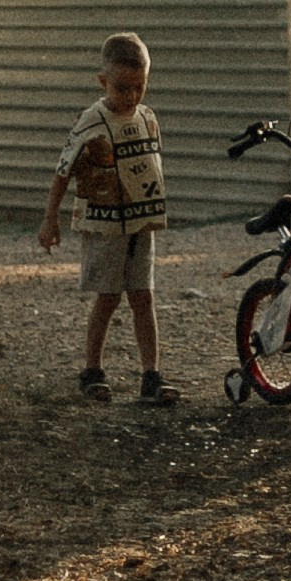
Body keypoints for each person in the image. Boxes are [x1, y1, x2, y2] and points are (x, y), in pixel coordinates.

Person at [39, 31, 178, 404]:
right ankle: (92, 370)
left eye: (139, 87)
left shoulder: (148, 119)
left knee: (143, 297)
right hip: (105, 224)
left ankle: (152, 375)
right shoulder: (91, 120)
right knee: (108, 297)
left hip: (140, 223)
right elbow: (63, 169)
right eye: (122, 88)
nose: (131, 97)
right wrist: (50, 218)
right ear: (103, 82)